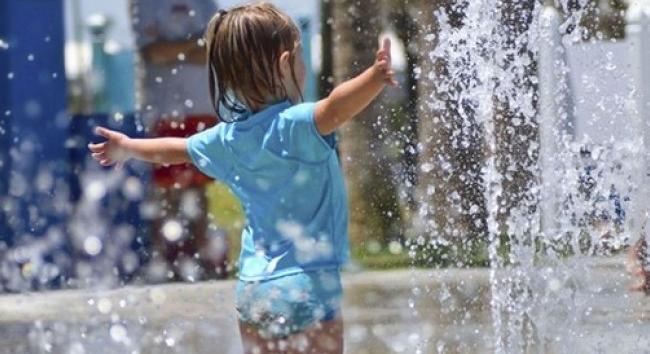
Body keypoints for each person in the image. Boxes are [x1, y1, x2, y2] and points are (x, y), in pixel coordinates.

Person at [89, 3, 396, 353]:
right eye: (299, 58)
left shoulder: (226, 138)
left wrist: (128, 147)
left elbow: (176, 148)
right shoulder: (294, 126)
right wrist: (373, 77)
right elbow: (338, 106)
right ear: (286, 65)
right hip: (307, 284)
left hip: (253, 290)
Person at [129, 0, 228, 281]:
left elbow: (213, 50)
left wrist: (176, 49)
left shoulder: (205, 3)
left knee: (197, 190)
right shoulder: (145, 5)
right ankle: (164, 263)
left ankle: (202, 259)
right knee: (166, 191)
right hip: (165, 112)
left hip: (202, 108)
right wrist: (192, 46)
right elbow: (154, 54)